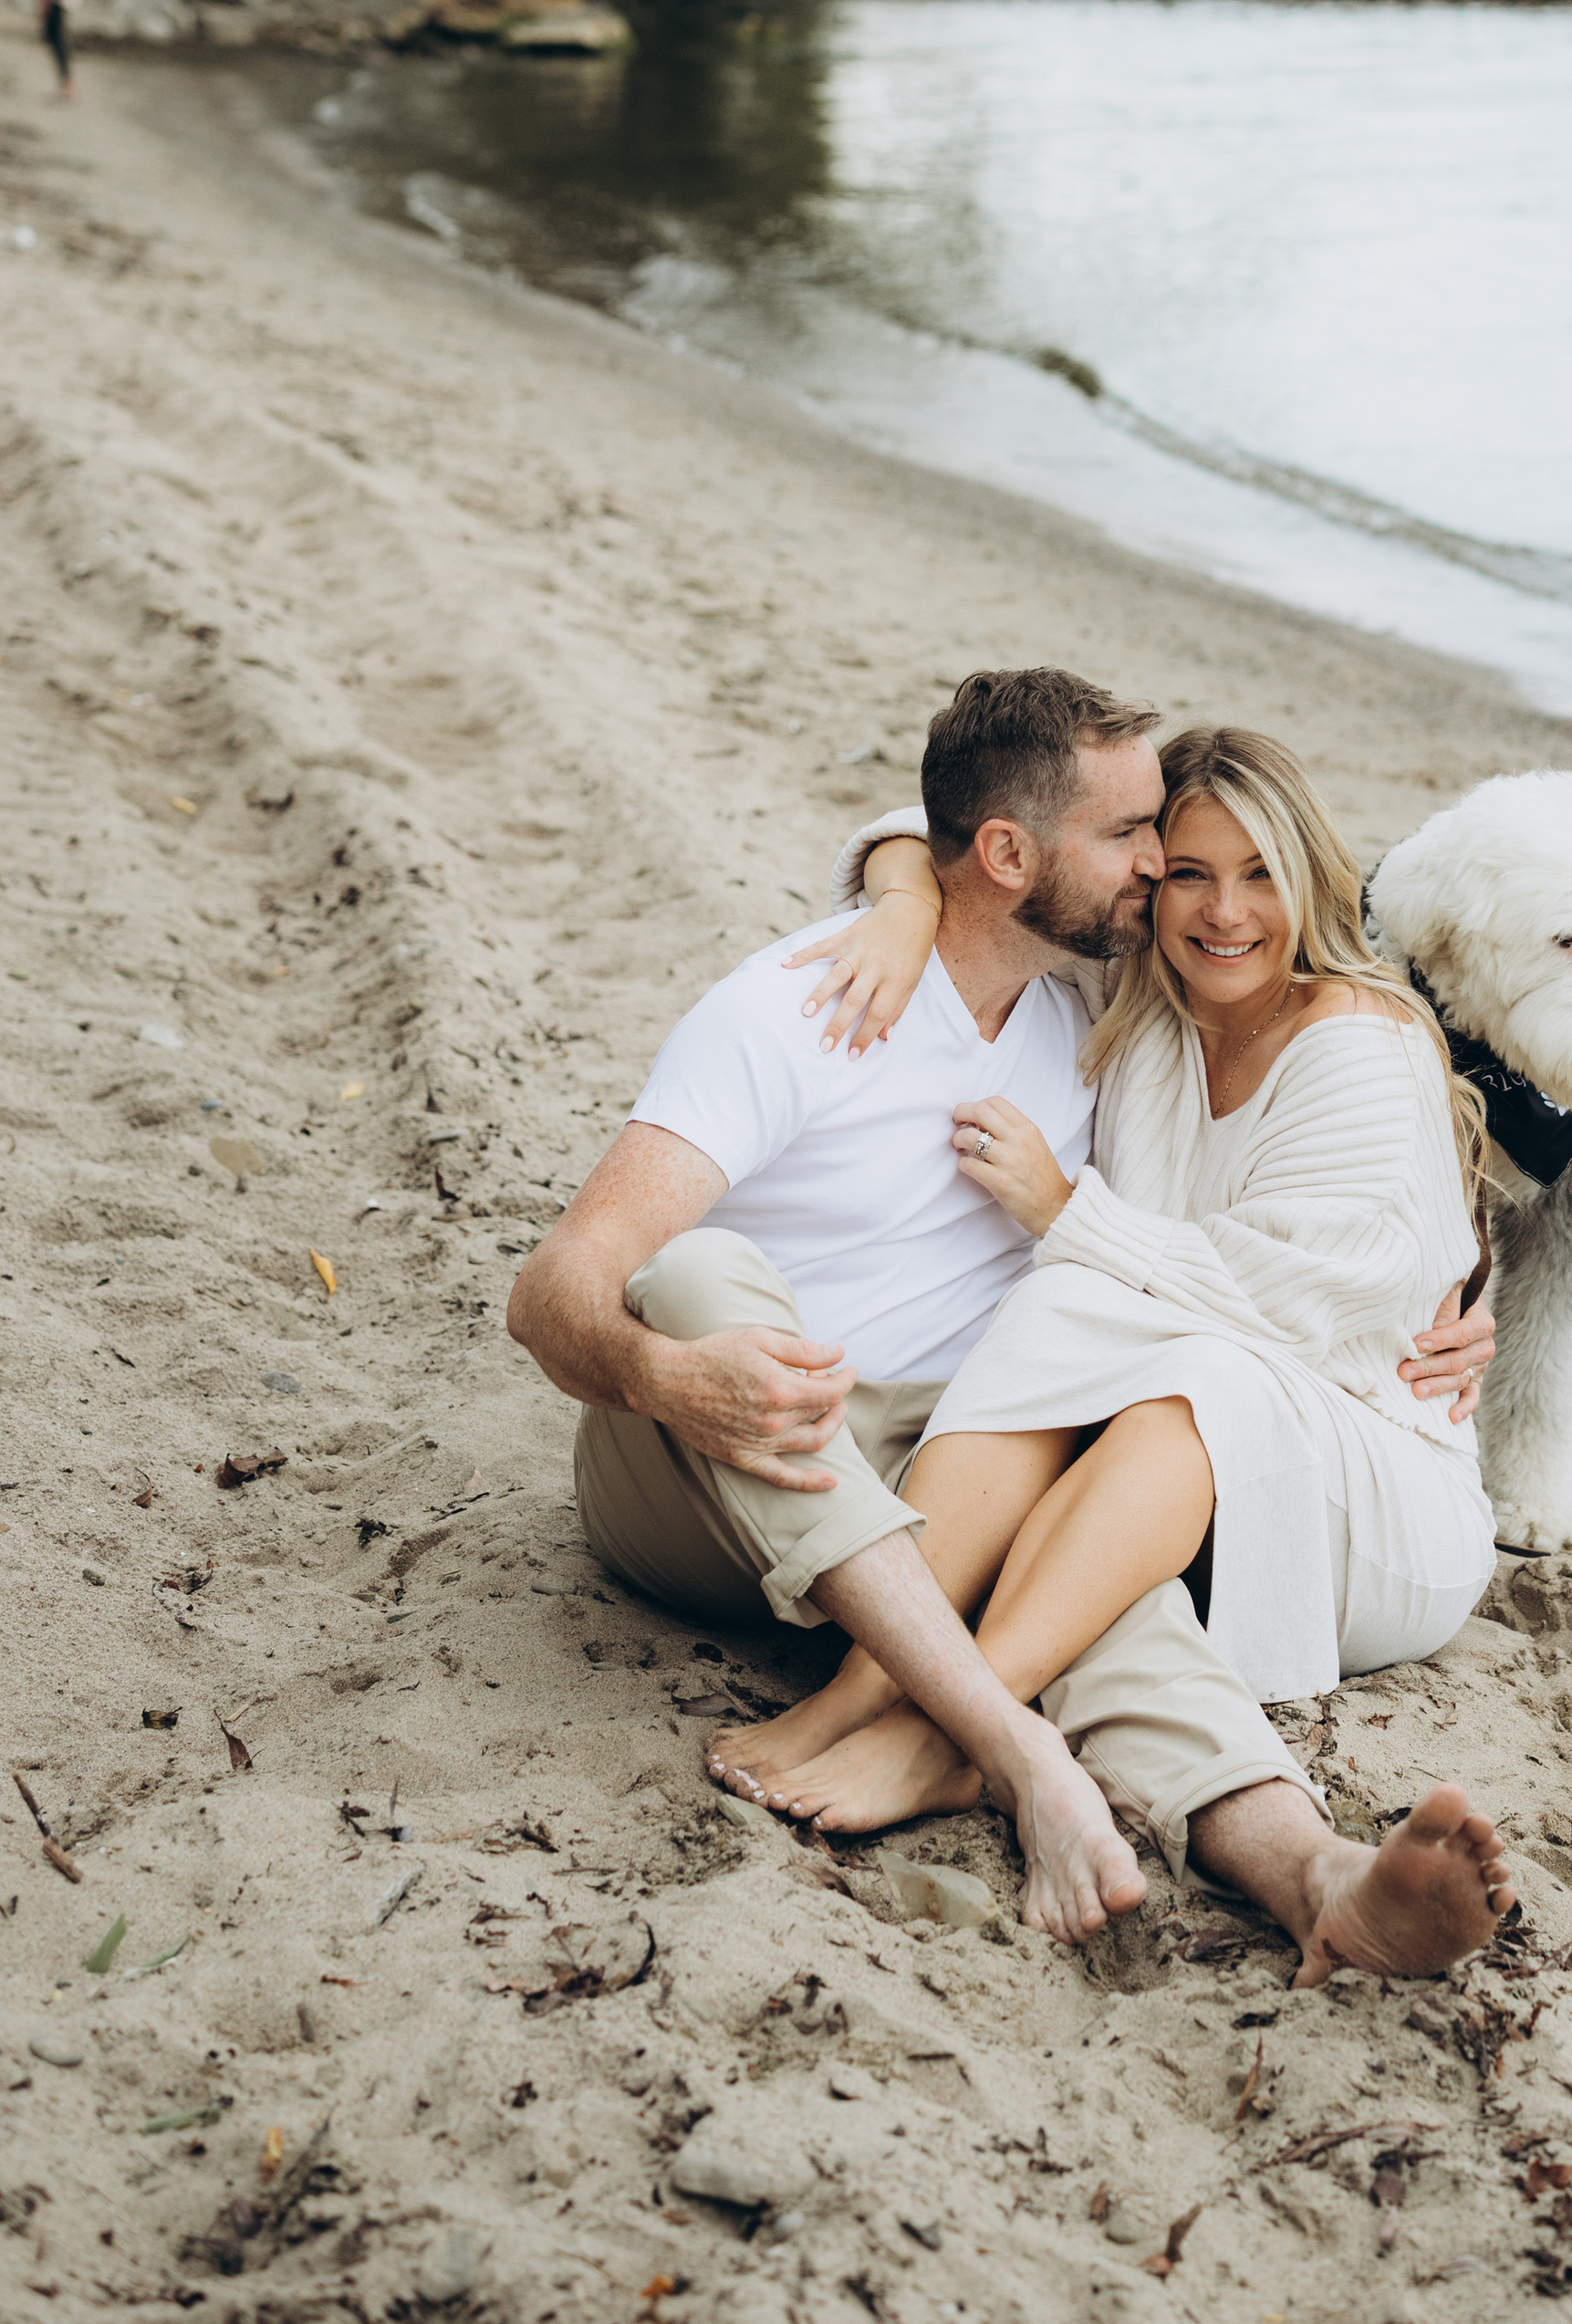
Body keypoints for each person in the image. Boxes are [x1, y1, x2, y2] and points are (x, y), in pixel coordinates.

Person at [505, 669, 1511, 1978]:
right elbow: (552, 1287)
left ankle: (1310, 1870)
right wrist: (671, 1378)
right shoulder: (839, 1001)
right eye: (1144, 849)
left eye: (1219, 860)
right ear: (1004, 859)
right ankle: (987, 1732)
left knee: (1114, 1587)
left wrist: (1451, 1288)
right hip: (731, 1454)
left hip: (985, 1453)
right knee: (700, 1278)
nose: (1170, 882)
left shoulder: (1087, 997)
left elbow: (1321, 1250)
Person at [724, 724, 1501, 1850]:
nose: (1223, 914)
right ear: (1146, 881)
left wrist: (1061, 1212)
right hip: (1164, 1434)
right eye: (1188, 872)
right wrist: (900, 906)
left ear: (1310, 882)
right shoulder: (1139, 990)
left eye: (1258, 876)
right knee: (1088, 1322)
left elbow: (1279, 1309)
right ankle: (868, 1686)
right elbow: (942, 838)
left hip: (1372, 1485)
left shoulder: (1358, 1044)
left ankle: (949, 1732)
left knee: (1142, 1343)